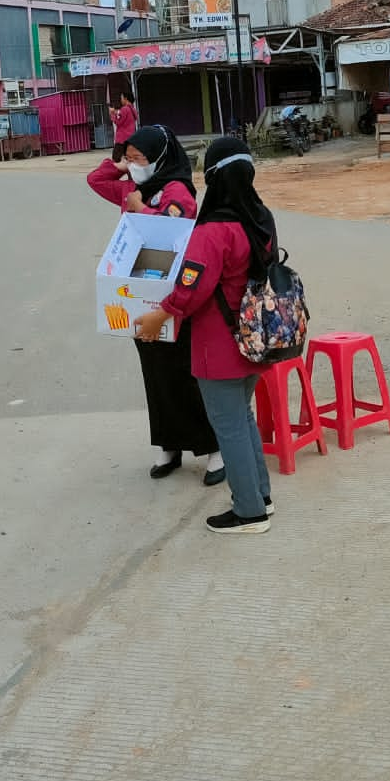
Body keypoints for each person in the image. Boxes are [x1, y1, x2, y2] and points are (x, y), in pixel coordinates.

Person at [136, 136, 275, 535]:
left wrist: (159, 315)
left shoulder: (214, 230)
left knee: (228, 426)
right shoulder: (259, 218)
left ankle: (249, 512)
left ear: (214, 177)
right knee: (241, 420)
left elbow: (190, 288)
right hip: (252, 338)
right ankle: (261, 495)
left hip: (219, 345)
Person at [86, 125, 224, 485]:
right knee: (155, 374)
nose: (134, 165)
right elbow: (94, 180)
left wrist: (141, 210)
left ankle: (214, 450)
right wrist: (119, 167)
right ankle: (169, 444)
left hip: (174, 297)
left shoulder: (176, 190)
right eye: (129, 159)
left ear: (160, 157)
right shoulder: (132, 186)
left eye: (139, 159)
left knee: (185, 374)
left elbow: (175, 231)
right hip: (137, 294)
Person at [109, 91, 138, 161]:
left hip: (122, 139)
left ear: (126, 98)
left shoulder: (124, 109)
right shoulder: (133, 109)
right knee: (129, 160)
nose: (121, 100)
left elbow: (118, 122)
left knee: (116, 159)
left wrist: (112, 114)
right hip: (130, 138)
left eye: (121, 98)